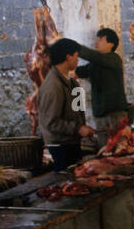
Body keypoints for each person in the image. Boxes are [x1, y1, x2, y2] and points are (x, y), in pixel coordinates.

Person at [40, 38, 96, 172]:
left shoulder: (72, 84)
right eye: (76, 56)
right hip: (60, 147)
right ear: (68, 57)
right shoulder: (53, 86)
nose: (78, 60)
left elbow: (78, 112)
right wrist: (78, 128)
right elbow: (51, 122)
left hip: (72, 143)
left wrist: (83, 128)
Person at [75, 27, 131, 147]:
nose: (96, 42)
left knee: (121, 147)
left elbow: (95, 57)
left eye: (100, 39)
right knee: (105, 149)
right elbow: (80, 71)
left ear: (111, 44)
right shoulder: (94, 64)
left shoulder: (114, 59)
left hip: (115, 114)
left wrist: (73, 47)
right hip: (100, 115)